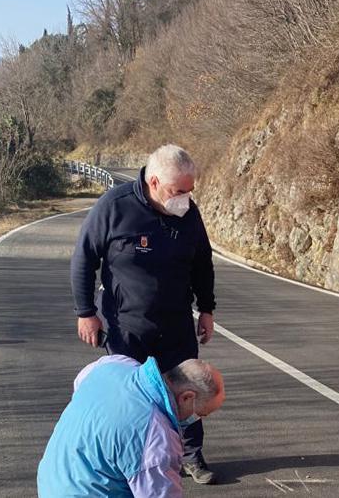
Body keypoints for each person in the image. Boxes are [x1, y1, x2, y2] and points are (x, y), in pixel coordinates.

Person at [70, 144, 219, 484]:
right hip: (128, 326)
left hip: (176, 322)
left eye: (189, 191)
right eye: (178, 191)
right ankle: (129, 460)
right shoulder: (114, 207)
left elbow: (202, 264)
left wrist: (207, 309)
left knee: (188, 389)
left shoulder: (188, 214)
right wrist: (85, 312)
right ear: (154, 182)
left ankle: (191, 456)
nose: (185, 198)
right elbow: (83, 259)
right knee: (129, 398)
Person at [37, 356, 225, 497]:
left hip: (52, 479)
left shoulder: (114, 364)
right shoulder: (156, 437)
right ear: (187, 397)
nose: (197, 419)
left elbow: (80, 384)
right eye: (201, 414)